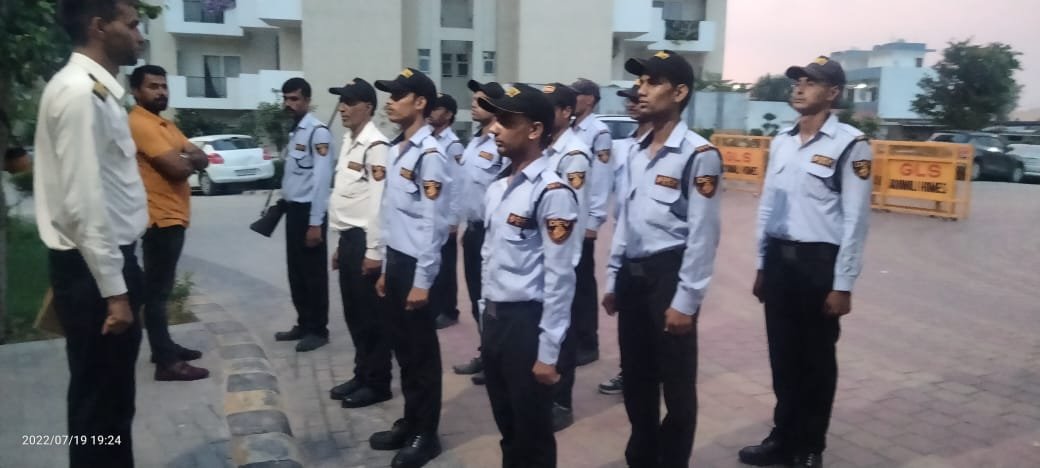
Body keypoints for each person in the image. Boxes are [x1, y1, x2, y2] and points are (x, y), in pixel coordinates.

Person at [739, 56, 872, 468]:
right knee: (782, 356)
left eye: (810, 82)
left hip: (818, 264)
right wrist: (762, 263)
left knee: (816, 360)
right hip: (780, 260)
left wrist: (843, 283)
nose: (799, 88)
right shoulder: (781, 140)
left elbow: (855, 219)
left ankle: (810, 446)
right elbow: (767, 207)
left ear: (832, 93)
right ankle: (783, 438)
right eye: (796, 81)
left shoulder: (850, 144)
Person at [35, 1, 145, 465]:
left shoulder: (96, 91)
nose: (139, 35)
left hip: (101, 268)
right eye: (132, 25)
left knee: (110, 402)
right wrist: (115, 293)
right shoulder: (81, 94)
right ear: (99, 27)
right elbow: (84, 205)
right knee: (100, 407)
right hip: (97, 275)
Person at [602, 50, 723, 468]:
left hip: (669, 275)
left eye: (652, 82)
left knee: (676, 384)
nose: (641, 89)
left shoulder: (698, 154)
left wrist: (686, 301)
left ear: (680, 92)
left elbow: (704, 233)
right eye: (640, 81)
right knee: (637, 377)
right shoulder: (634, 150)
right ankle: (642, 454)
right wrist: (613, 278)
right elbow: (625, 219)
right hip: (633, 276)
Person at [477, 83, 581, 468]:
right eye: (495, 120)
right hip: (496, 322)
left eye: (506, 121)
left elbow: (560, 278)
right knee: (508, 427)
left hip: (527, 326)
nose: (494, 128)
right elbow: (490, 259)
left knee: (532, 434)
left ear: (535, 129)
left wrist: (549, 352)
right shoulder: (499, 187)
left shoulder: (552, 192)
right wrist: (484, 316)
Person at [370, 67, 450, 468]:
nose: (389, 102)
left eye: (398, 95)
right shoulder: (397, 148)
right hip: (398, 262)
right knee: (403, 349)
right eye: (389, 94)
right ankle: (411, 420)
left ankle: (426, 434)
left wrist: (422, 281)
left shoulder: (430, 155)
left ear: (420, 103)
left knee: (422, 355)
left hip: (419, 266)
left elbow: (433, 225)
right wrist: (387, 267)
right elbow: (392, 217)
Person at [128, 64, 210, 381]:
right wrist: (185, 160)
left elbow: (201, 157)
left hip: (173, 216)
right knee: (157, 292)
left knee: (160, 289)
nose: (161, 92)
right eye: (153, 86)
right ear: (136, 91)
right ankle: (166, 363)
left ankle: (162, 347)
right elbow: (177, 169)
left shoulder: (164, 124)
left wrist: (184, 159)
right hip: (159, 218)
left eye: (164, 86)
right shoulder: (140, 123)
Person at [326, 78, 394, 408]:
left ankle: (378, 382)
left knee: (371, 318)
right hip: (349, 238)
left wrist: (373, 251)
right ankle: (362, 373)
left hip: (367, 242)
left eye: (350, 102)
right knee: (354, 314)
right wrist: (342, 244)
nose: (343, 108)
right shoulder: (349, 141)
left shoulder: (375, 145)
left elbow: (378, 203)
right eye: (341, 101)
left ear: (367, 107)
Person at [540, 82, 592, 432]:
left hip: (563, 253)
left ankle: (561, 401)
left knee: (563, 329)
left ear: (566, 112)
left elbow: (574, 210)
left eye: (549, 108)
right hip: (542, 253)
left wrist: (566, 262)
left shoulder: (574, 153)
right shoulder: (546, 147)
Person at [451, 80, 508, 386]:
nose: (474, 104)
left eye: (481, 101)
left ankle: (497, 360)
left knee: (491, 299)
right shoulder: (474, 142)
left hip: (493, 232)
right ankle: (486, 353)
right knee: (476, 298)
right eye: (473, 99)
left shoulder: (502, 144)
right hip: (473, 230)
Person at [273, 77, 334, 352]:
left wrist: (315, 223)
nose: (289, 104)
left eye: (294, 99)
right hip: (293, 211)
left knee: (313, 275)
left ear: (307, 101)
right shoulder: (295, 131)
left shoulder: (317, 132)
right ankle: (304, 322)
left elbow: (321, 180)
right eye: (286, 98)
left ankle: (318, 329)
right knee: (296, 273)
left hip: (310, 211)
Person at [597, 82, 650, 397]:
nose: (631, 104)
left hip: (660, 254)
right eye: (628, 100)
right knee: (630, 324)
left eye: (635, 98)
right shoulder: (626, 147)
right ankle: (628, 373)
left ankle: (653, 376)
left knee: (657, 328)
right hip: (625, 240)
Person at [569, 78, 613, 366]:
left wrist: (594, 222)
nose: (572, 99)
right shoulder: (571, 128)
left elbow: (600, 180)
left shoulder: (598, 132)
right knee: (567, 283)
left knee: (583, 285)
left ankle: (588, 343)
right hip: (565, 220)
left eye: (577, 95)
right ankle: (571, 337)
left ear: (590, 99)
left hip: (584, 221)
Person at [428, 92, 465, 329]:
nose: (432, 112)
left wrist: (453, 220)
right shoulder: (430, 139)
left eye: (437, 108)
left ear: (449, 114)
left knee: (446, 266)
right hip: (432, 213)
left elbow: (457, 184)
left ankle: (449, 310)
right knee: (432, 262)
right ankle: (434, 307)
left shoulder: (452, 144)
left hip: (445, 215)